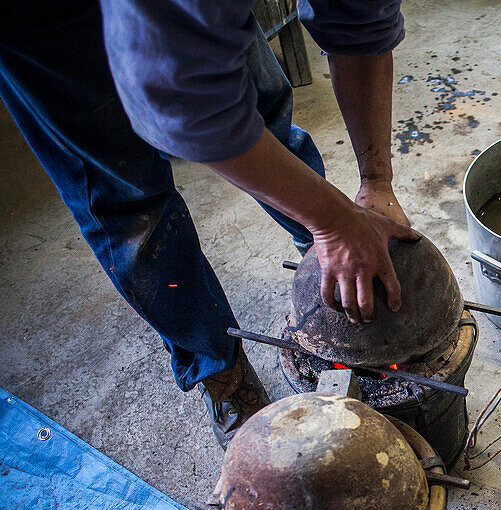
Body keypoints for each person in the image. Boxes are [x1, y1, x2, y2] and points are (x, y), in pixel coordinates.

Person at [0, 1, 414, 447]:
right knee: (125, 198)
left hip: (186, 18)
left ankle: (332, 274)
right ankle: (221, 373)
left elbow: (358, 23)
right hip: (43, 21)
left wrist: (376, 181)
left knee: (261, 115)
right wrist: (335, 223)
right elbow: (194, 113)